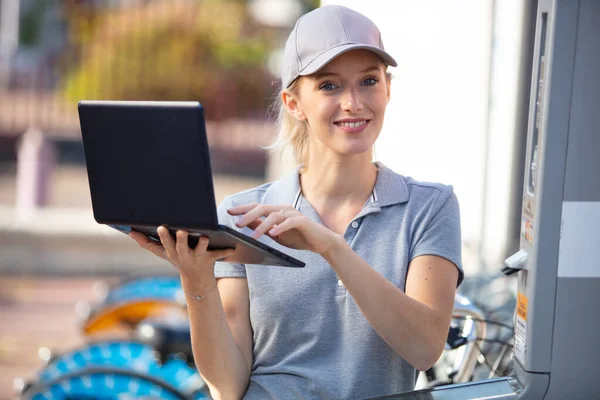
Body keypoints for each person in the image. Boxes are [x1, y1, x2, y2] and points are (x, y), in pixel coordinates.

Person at [129, 4, 463, 399]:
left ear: (388, 88)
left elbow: (424, 348)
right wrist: (196, 282)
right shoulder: (243, 217)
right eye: (329, 86)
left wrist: (330, 246)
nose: (354, 102)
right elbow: (228, 386)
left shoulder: (430, 207)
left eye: (368, 81)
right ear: (293, 103)